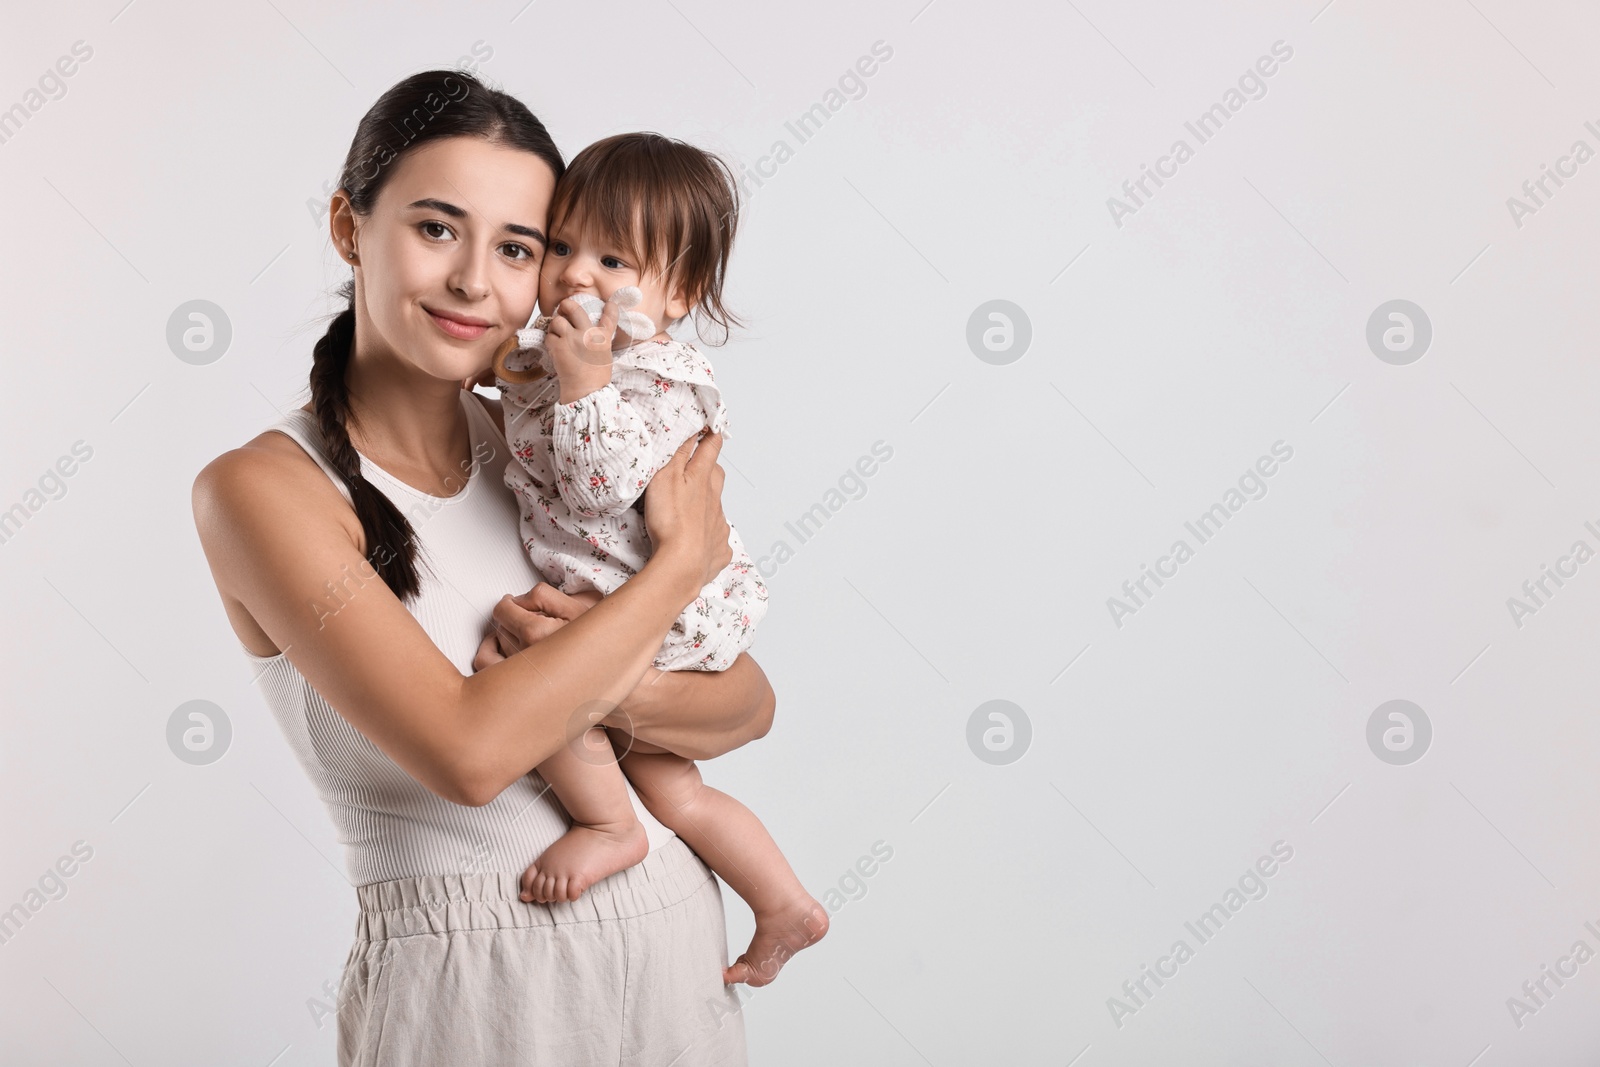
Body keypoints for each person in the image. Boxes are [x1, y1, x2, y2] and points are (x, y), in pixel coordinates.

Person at [190, 69, 768, 1066]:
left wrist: (608, 670)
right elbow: (469, 750)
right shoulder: (266, 490)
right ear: (347, 225)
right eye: (434, 228)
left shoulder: (552, 451)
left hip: (676, 957)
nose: (475, 283)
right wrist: (673, 571)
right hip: (481, 999)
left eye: (516, 249)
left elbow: (746, 702)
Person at [490, 132, 828, 986]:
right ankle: (784, 900)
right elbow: (532, 450)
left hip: (654, 603)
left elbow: (599, 486)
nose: (572, 273)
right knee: (679, 790)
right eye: (561, 245)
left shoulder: (649, 379)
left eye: (612, 258)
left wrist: (582, 383)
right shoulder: (573, 361)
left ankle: (609, 825)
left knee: (527, 672)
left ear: (676, 293)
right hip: (637, 596)